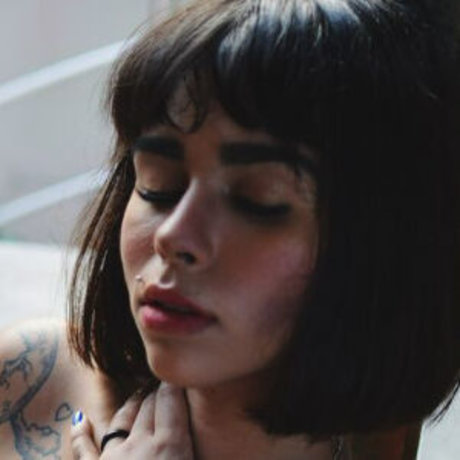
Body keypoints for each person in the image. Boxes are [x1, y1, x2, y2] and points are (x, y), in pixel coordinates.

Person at [1, 0, 459, 458]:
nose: (172, 235)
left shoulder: (382, 440)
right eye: (158, 186)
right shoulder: (33, 373)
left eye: (257, 201)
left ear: (375, 249)